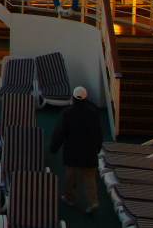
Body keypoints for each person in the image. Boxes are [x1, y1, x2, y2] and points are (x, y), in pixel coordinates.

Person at [50, 86, 102, 214]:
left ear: (73, 97)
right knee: (89, 178)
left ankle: (70, 198)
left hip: (72, 152)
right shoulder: (94, 113)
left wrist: (53, 148)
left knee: (70, 177)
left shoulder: (67, 113)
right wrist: (97, 149)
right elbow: (99, 134)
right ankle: (93, 201)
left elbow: (60, 132)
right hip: (89, 153)